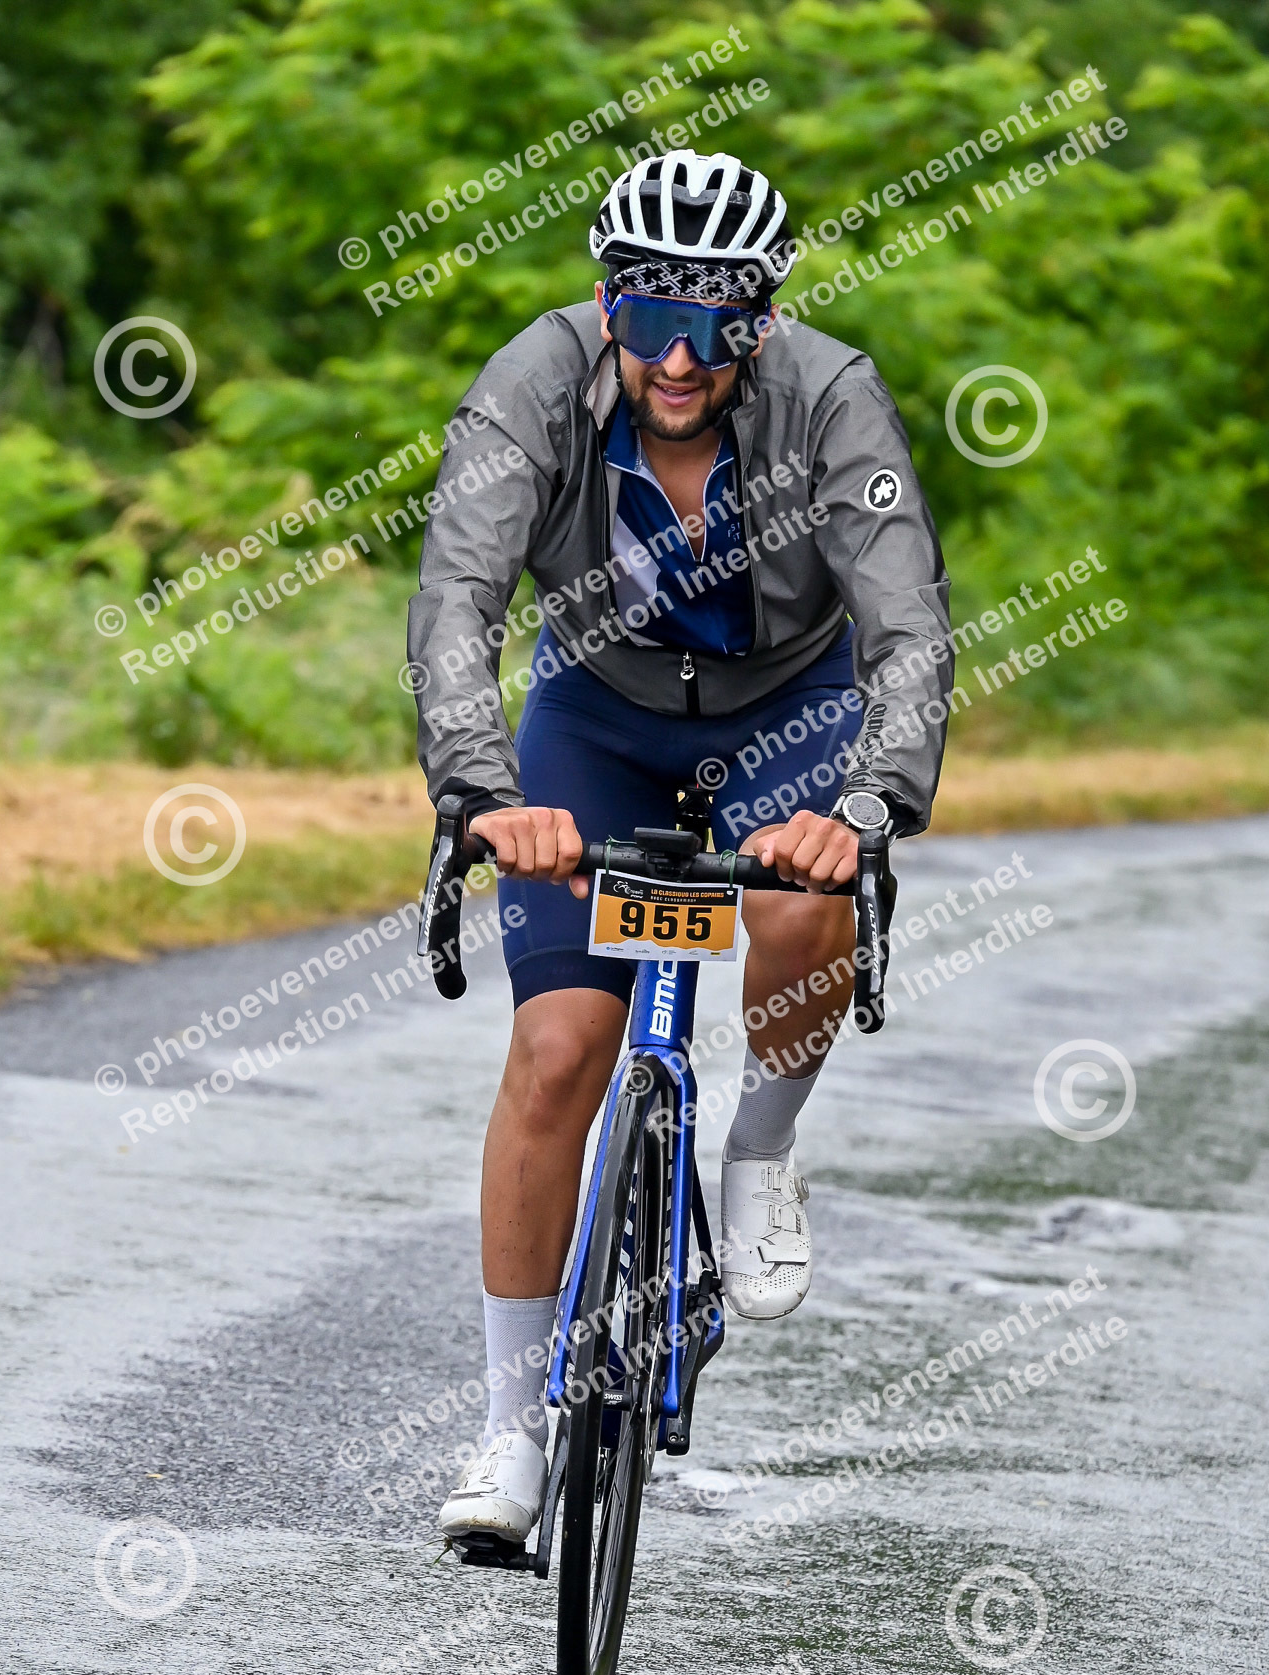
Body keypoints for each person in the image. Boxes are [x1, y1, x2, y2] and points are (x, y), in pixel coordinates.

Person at [406, 151, 953, 1544]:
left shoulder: (831, 398)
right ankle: (510, 1429)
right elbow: (459, 597)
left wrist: (866, 807)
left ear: (761, 320)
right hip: (596, 713)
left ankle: (759, 1147)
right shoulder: (533, 384)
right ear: (608, 306)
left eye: (716, 324)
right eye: (650, 319)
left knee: (801, 911)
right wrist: (483, 790)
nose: (679, 359)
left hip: (789, 708)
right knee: (559, 1051)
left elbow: (906, 631)